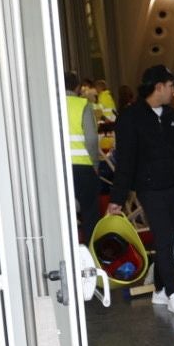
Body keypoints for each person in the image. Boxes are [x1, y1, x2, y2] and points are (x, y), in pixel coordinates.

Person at [112, 64, 174, 315]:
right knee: (164, 238)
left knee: (167, 241)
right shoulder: (130, 118)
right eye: (171, 86)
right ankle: (173, 292)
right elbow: (125, 161)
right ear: (158, 87)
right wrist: (117, 198)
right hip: (150, 189)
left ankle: (159, 291)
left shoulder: (172, 116)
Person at [65, 73, 102, 244]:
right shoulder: (82, 105)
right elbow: (92, 139)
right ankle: (91, 254)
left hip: (59, 170)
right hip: (82, 168)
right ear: (77, 87)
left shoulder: (48, 104)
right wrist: (95, 164)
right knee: (90, 214)